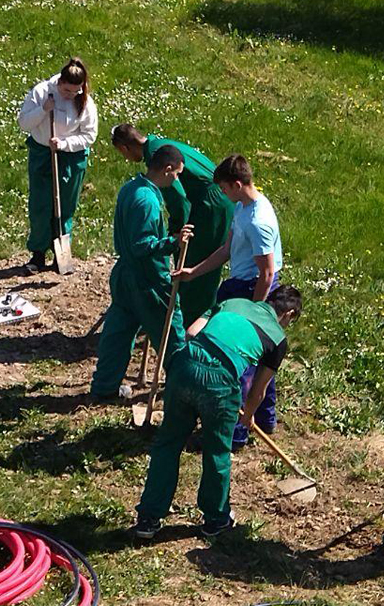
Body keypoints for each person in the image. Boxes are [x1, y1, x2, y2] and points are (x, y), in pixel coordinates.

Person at [132, 284, 303, 539]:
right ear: (288, 315)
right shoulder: (277, 338)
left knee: (168, 444)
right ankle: (215, 518)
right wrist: (247, 416)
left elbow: (191, 332)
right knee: (216, 452)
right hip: (220, 382)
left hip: (184, 366)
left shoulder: (233, 302)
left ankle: (148, 518)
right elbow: (259, 392)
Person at [178, 154, 283, 449]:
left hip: (250, 290)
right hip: (239, 285)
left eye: (224, 189)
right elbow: (227, 250)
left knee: (241, 363)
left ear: (237, 184)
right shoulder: (242, 208)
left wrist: (251, 314)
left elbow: (267, 272)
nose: (223, 195)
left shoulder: (259, 221)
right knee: (262, 359)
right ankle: (265, 418)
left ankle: (234, 433)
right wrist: (194, 272)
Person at [88, 145, 195, 402]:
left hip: (124, 277)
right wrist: (173, 242)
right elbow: (141, 246)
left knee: (117, 334)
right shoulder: (147, 201)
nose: (177, 179)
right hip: (148, 281)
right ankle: (182, 391)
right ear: (167, 169)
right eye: (177, 174)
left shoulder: (131, 188)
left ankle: (104, 387)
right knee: (171, 336)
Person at [108, 124, 231, 323]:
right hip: (217, 194)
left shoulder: (159, 162)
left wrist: (175, 238)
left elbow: (179, 201)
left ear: (124, 148)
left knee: (197, 262)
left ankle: (192, 321)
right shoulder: (158, 144)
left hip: (212, 204)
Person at [16, 59, 98, 272]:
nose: (70, 95)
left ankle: (60, 255)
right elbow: (23, 123)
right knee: (40, 205)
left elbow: (89, 136)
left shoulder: (85, 101)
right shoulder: (42, 91)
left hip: (71, 156)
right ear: (59, 82)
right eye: (66, 90)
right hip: (42, 153)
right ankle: (38, 254)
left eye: (75, 91)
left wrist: (64, 144)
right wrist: (43, 109)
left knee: (65, 206)